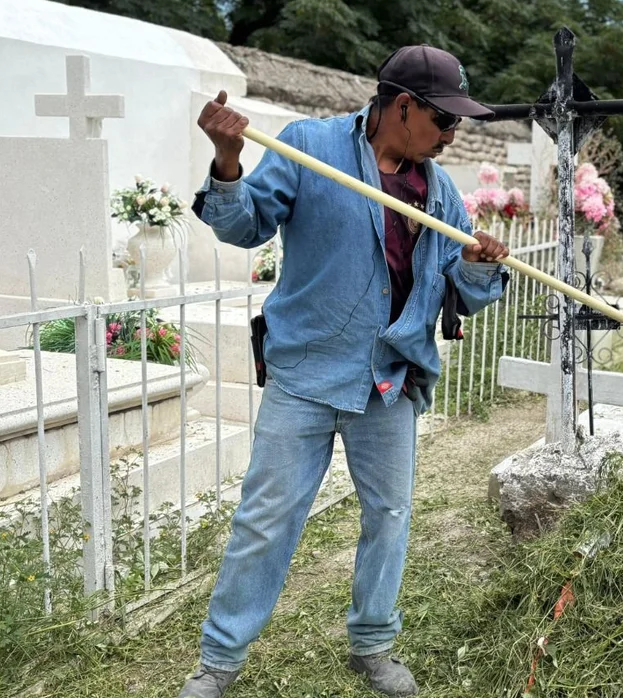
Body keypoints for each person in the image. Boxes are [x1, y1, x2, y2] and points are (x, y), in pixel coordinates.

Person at [178, 45, 510, 698]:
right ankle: (218, 661)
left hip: (390, 380)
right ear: (404, 107)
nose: (452, 135)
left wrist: (479, 263)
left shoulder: (440, 194)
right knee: (267, 518)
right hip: (304, 372)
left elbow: (466, 291)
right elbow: (243, 226)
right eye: (445, 121)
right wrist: (227, 161)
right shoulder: (311, 146)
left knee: (388, 516)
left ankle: (372, 644)